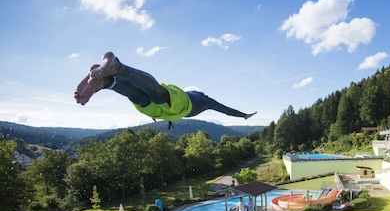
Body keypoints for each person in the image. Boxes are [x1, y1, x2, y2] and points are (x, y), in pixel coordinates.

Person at [74, 52, 256, 125]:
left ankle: (110, 77)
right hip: (169, 111)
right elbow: (225, 110)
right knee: (141, 97)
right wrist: (243, 115)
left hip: (175, 107)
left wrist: (242, 115)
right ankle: (108, 81)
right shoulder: (206, 101)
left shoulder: (200, 98)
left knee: (155, 92)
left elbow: (225, 109)